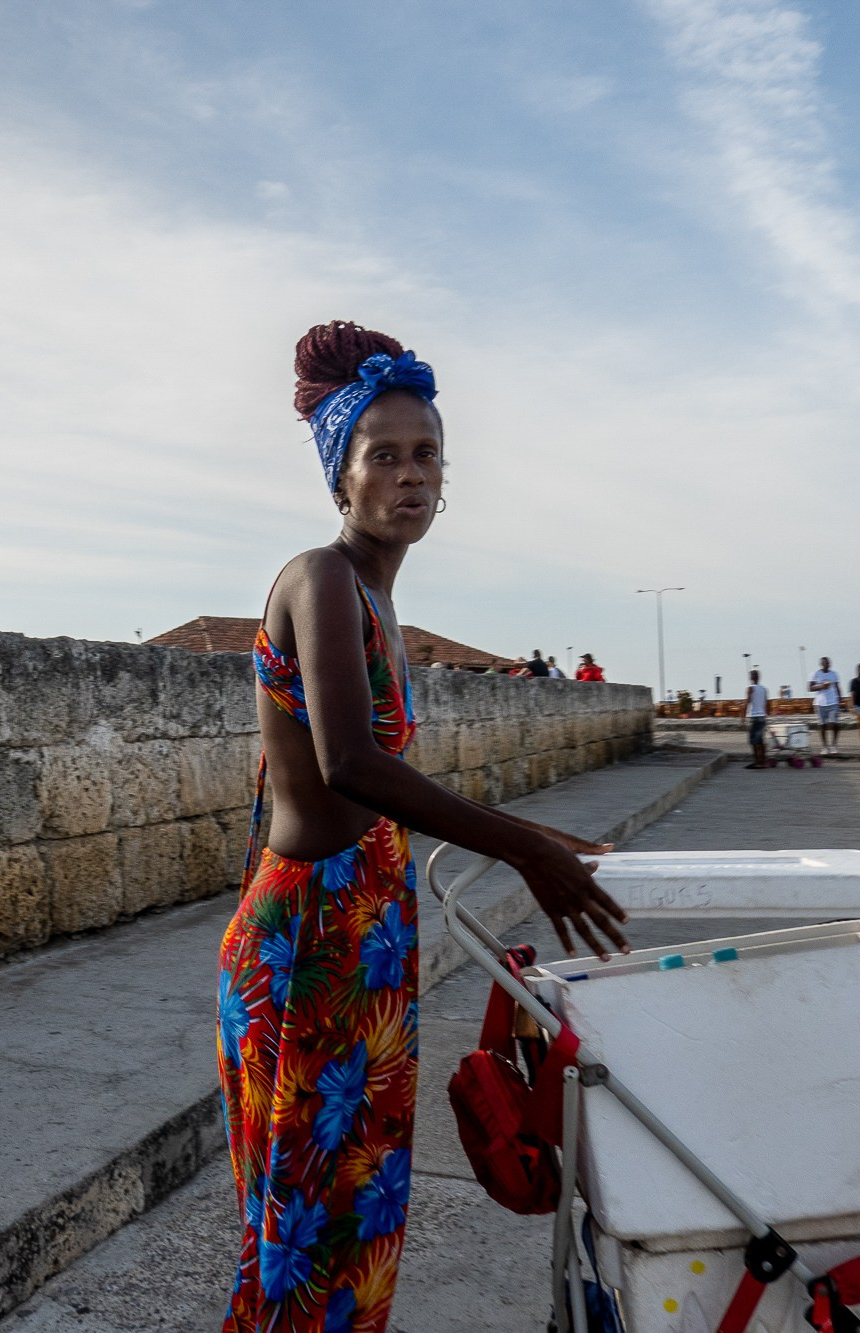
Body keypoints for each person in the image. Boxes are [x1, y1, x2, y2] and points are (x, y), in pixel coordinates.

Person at [218, 321, 629, 1331]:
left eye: (426, 455)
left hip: (364, 938)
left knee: (358, 1218)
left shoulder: (375, 601)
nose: (410, 476)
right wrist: (523, 846)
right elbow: (347, 763)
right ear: (340, 479)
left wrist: (520, 833)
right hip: (311, 940)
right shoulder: (318, 577)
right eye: (384, 455)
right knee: (303, 1238)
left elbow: (332, 773)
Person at [809, 656, 843, 755]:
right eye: (824, 663)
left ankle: (834, 745)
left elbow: (837, 687)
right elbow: (810, 688)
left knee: (834, 723)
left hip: (833, 701)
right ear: (821, 664)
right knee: (822, 725)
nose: (826, 665)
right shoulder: (815, 674)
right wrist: (821, 686)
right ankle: (825, 746)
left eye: (828, 663)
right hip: (820, 702)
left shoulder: (834, 674)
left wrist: (840, 699)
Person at [744, 668, 771, 768]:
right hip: (762, 716)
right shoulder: (764, 689)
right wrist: (766, 714)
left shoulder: (750, 688)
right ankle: (762, 761)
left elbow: (747, 702)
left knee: (753, 740)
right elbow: (767, 703)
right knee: (760, 740)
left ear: (751, 678)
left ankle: (757, 762)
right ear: (758, 677)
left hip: (754, 716)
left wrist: (742, 717)